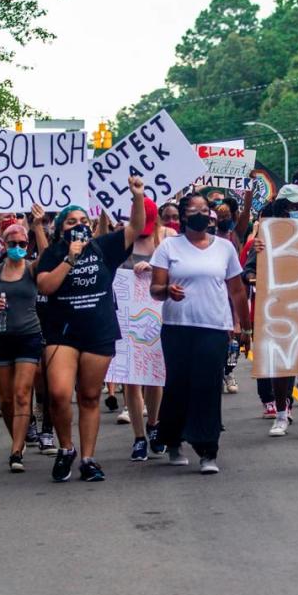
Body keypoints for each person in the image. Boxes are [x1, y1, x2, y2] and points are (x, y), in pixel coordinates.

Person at [37, 177, 145, 483]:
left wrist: (137, 196)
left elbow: (135, 227)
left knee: (88, 396)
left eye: (83, 220)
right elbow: (45, 285)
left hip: (98, 330)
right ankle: (65, 448)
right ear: (60, 229)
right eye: (71, 221)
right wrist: (71, 257)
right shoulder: (54, 253)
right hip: (62, 333)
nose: (79, 225)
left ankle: (87, 458)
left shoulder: (104, 246)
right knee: (58, 394)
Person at [149, 192, 252, 475]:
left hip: (214, 327)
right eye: (195, 210)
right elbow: (155, 290)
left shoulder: (225, 248)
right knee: (179, 385)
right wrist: (167, 290)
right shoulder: (169, 247)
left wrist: (243, 325)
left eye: (206, 209)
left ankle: (208, 448)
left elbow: (236, 290)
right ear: (183, 217)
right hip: (178, 327)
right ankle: (173, 441)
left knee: (207, 387)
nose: (202, 214)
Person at [243, 185, 298, 439]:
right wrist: (254, 276)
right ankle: (282, 414)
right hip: (280, 308)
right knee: (283, 364)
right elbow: (249, 270)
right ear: (282, 208)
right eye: (293, 206)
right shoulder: (266, 237)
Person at [0, 223, 44, 472]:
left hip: (29, 335)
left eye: (22, 244)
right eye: (12, 244)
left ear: (28, 245)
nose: (17, 248)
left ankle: (16, 450)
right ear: (4, 245)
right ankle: (17, 435)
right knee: (6, 400)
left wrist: (37, 228)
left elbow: (48, 261)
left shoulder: (32, 268)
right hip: (2, 336)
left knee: (21, 393)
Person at [120, 197, 175, 461]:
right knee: (132, 379)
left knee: (154, 375)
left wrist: (154, 267)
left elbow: (180, 269)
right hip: (128, 316)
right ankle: (139, 436)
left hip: (157, 315)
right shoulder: (123, 238)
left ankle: (154, 424)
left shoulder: (167, 237)